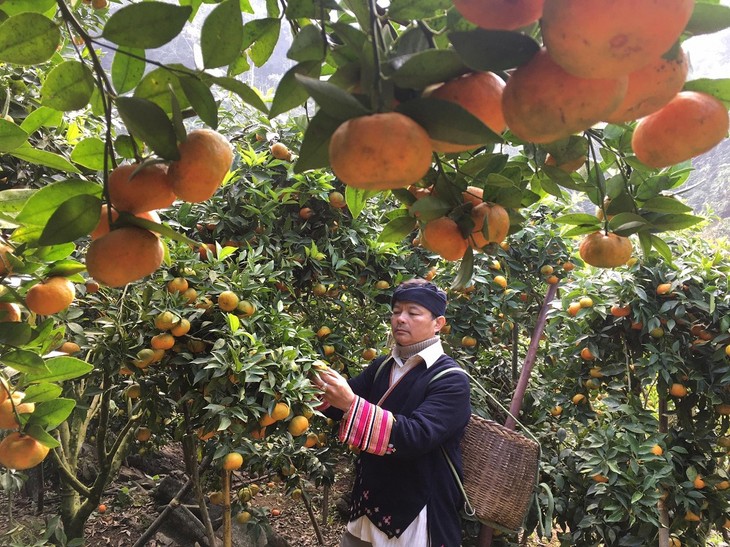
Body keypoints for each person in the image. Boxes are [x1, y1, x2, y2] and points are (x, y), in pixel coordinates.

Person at [312, 278, 472, 547]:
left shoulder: (450, 379)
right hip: (368, 502)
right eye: (396, 311)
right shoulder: (383, 366)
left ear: (438, 323)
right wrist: (308, 381)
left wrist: (352, 404)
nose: (401, 319)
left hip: (415, 513)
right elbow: (341, 408)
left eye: (413, 312)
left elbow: (416, 436)